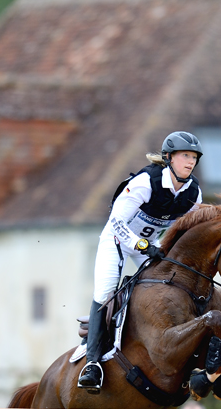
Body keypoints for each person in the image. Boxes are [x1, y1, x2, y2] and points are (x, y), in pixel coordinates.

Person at [78, 131, 204, 392]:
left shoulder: (194, 193)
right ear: (169, 158)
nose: (190, 162)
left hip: (151, 248)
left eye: (193, 157)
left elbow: (186, 231)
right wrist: (143, 246)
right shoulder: (146, 182)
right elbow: (115, 222)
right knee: (106, 290)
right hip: (117, 240)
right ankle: (92, 364)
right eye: (185, 156)